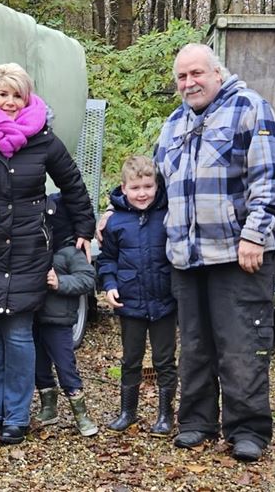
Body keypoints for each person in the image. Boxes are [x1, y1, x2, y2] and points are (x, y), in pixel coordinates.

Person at [97, 43, 275, 462]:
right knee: (196, 347)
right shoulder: (174, 123)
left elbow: (270, 179)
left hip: (239, 255)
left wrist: (255, 235)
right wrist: (115, 209)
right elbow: (152, 185)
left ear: (217, 72)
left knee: (241, 344)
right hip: (184, 257)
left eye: (197, 73)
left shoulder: (250, 109)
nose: (189, 83)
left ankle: (247, 430)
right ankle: (197, 422)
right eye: (182, 77)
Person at [0, 63, 95, 445]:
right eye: (2, 94)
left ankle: (16, 417)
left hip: (27, 250)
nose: (9, 103)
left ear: (27, 98)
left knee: (20, 335)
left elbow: (73, 184)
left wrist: (84, 230)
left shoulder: (42, 138)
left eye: (17, 95)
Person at [97, 155, 177, 437]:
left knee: (164, 360)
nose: (142, 193)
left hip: (164, 301)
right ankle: (127, 412)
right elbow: (107, 260)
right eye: (135, 188)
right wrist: (109, 285)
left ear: (156, 186)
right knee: (131, 359)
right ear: (123, 188)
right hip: (129, 301)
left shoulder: (168, 215)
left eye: (147, 186)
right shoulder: (115, 222)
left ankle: (166, 415)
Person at [33, 192, 98, 437]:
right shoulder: (38, 251)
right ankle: (49, 408)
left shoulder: (71, 253)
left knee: (66, 368)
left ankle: (81, 415)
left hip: (59, 322)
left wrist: (59, 282)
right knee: (40, 367)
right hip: (35, 318)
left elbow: (87, 279)